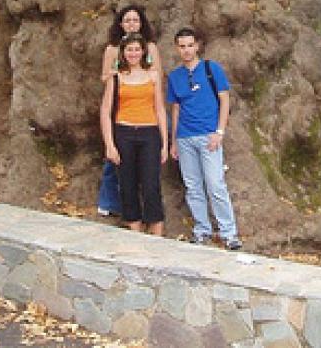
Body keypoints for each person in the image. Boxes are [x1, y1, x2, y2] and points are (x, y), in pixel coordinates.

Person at [167, 27, 241, 250]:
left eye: (190, 45)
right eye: (182, 46)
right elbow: (176, 109)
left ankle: (228, 232)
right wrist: (173, 140)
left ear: (197, 46)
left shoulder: (211, 69)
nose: (187, 50)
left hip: (209, 135)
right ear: (176, 48)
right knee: (193, 186)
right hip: (185, 137)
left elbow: (225, 101)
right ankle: (202, 229)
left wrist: (220, 132)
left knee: (215, 184)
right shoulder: (175, 76)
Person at [99, 33, 168, 235]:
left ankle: (157, 233)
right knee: (127, 184)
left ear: (143, 52)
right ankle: (135, 230)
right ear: (123, 52)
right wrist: (109, 145)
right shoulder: (116, 77)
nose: (133, 53)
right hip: (124, 132)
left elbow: (160, 109)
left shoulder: (153, 75)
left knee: (151, 186)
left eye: (137, 49)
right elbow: (105, 112)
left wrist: (164, 142)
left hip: (149, 133)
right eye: (129, 50)